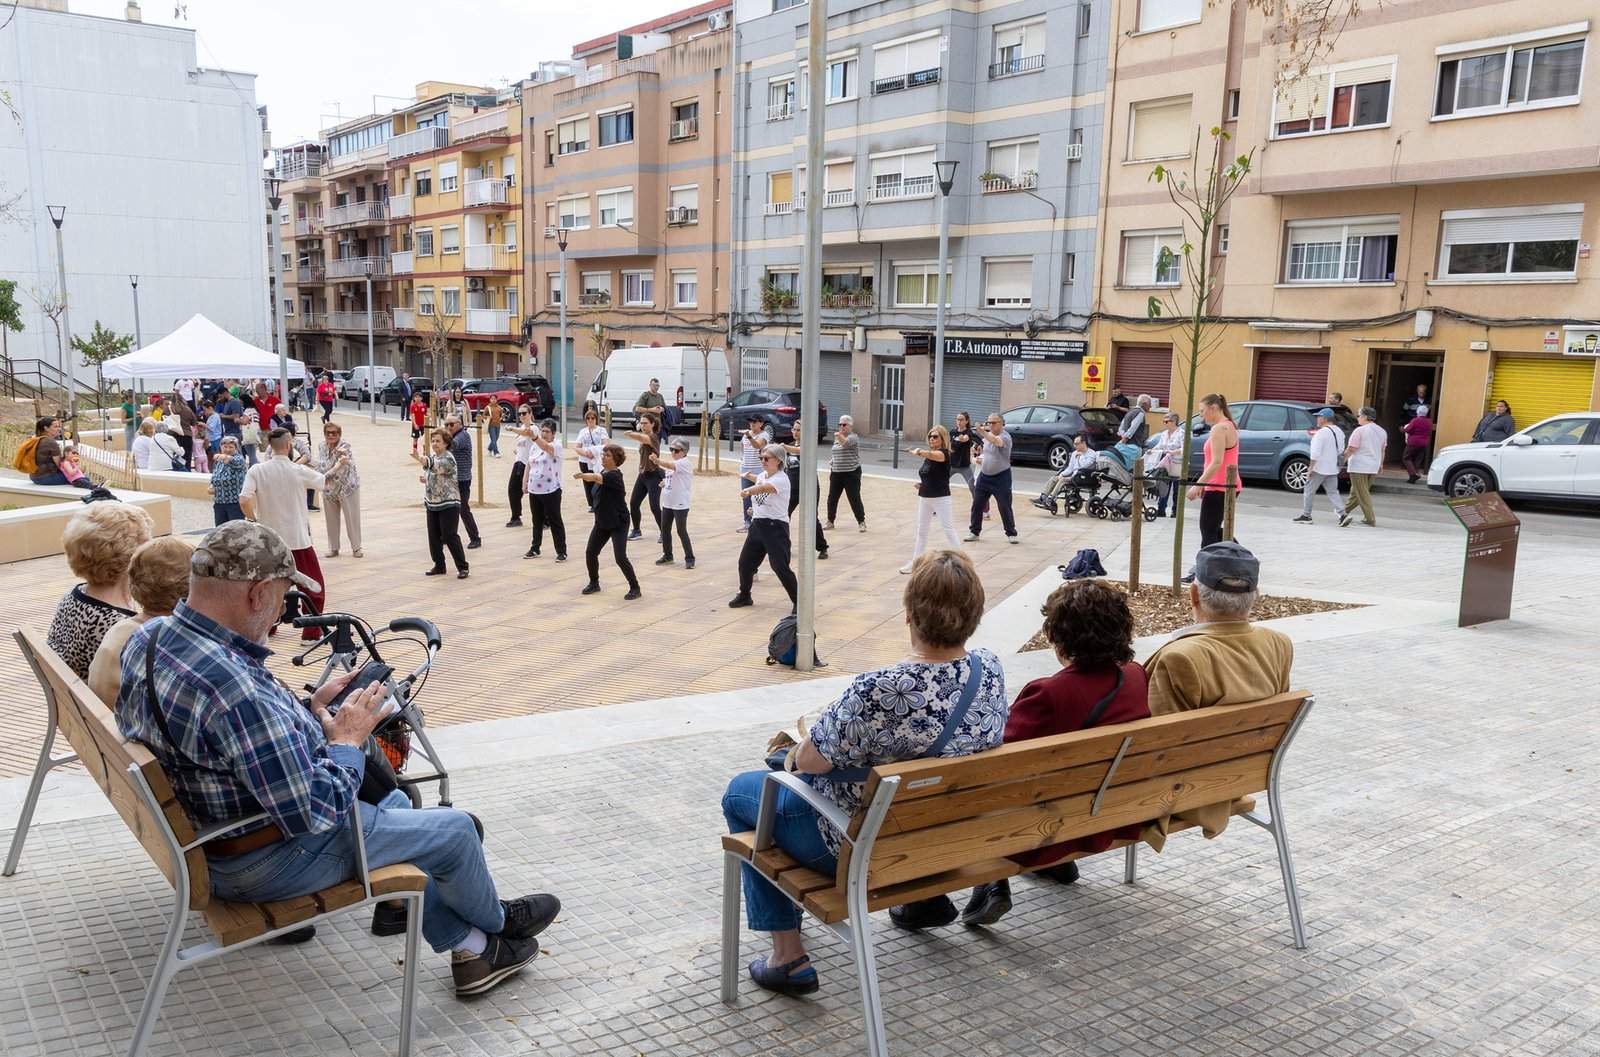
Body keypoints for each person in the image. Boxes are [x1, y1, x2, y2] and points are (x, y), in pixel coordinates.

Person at [115, 520, 556, 996]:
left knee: (400, 809)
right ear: (258, 592)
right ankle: (498, 926)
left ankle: (471, 946)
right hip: (259, 860)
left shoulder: (152, 637)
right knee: (454, 831)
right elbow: (315, 811)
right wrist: (346, 740)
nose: (283, 614)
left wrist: (308, 713)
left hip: (211, 834)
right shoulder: (232, 686)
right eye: (285, 597)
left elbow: (219, 739)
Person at [721, 550, 1008, 987]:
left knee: (745, 792)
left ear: (910, 615)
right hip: (946, 833)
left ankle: (788, 956)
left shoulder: (879, 688)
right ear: (975, 613)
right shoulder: (988, 669)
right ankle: (923, 899)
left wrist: (795, 752)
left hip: (861, 845)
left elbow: (811, 762)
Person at [959, 578, 1152, 927]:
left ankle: (991, 879)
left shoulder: (1048, 694)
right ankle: (1057, 866)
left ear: (1060, 637)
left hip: (1046, 830)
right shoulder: (1136, 676)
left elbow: (995, 760)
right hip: (1112, 814)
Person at [1144, 541, 1292, 845]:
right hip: (1242, 777)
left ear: (1194, 595)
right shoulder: (1279, 644)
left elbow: (1154, 751)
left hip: (1187, 792)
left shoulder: (1179, 657)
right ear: (1257, 596)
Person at [240, 428, 337, 634]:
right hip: (297, 538)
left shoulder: (257, 470)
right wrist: (338, 465)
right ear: (289, 444)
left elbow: (244, 499)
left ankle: (267, 628)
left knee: (267, 585)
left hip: (269, 540)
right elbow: (324, 482)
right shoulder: (297, 470)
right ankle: (312, 631)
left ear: (269, 446)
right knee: (312, 585)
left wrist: (253, 518)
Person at [46, 501, 156, 678]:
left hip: (79, 702)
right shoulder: (121, 627)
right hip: (102, 705)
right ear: (131, 556)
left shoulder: (73, 597)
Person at [87, 536, 193, 706]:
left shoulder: (121, 628)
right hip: (124, 730)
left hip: (103, 726)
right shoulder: (165, 642)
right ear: (191, 587)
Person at [730, 445, 798, 609]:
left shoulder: (782, 479)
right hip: (758, 526)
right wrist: (755, 510)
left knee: (780, 567)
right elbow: (762, 495)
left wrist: (749, 490)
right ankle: (745, 595)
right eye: (761, 458)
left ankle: (799, 602)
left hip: (775, 528)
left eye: (766, 458)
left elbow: (764, 488)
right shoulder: (761, 476)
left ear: (778, 460)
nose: (763, 461)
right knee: (745, 563)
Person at [1183, 394, 1240, 583]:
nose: (1201, 416)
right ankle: (1241, 559)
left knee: (1208, 531)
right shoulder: (1229, 425)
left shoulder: (1219, 429)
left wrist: (1197, 485)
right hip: (1223, 485)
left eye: (1202, 411)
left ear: (1213, 407)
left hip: (1219, 487)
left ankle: (1204, 572)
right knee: (1216, 530)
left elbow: (1216, 462)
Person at [575, 443, 640, 598]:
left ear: (616, 459)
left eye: (607, 455)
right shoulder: (604, 471)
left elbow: (597, 478)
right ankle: (594, 583)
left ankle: (635, 587)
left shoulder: (614, 475)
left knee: (620, 557)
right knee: (591, 552)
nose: (603, 457)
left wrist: (584, 475)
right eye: (603, 454)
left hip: (619, 522)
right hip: (602, 521)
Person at [901, 424, 962, 573]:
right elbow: (930, 473)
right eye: (930, 436)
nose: (932, 439)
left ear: (942, 438)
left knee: (948, 529)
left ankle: (961, 561)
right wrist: (922, 484)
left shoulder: (943, 453)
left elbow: (933, 456)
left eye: (935, 436)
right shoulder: (931, 454)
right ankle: (916, 562)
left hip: (941, 497)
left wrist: (919, 451)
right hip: (925, 497)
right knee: (921, 531)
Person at [414, 428, 469, 578]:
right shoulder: (434, 456)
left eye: (438, 441)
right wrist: (426, 479)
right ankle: (439, 565)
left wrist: (420, 459)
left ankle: (463, 567)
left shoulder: (448, 457)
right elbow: (433, 471)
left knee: (449, 535)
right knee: (433, 536)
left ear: (446, 443)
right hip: (432, 503)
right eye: (433, 441)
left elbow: (437, 466)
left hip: (449, 502)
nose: (434, 444)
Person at [964, 412, 1019, 544]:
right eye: (989, 422)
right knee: (977, 504)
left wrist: (983, 432)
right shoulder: (987, 437)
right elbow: (988, 452)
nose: (990, 425)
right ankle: (974, 531)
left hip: (1001, 477)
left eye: (994, 423)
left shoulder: (1005, 437)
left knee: (1004, 506)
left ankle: (1011, 533)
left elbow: (996, 442)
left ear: (1002, 424)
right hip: (985, 476)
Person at [780, 416, 828, 560]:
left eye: (799, 430)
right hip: (792, 487)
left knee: (811, 518)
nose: (795, 432)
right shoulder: (789, 445)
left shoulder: (809, 444)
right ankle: (784, 547)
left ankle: (822, 547)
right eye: (794, 429)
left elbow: (800, 451)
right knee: (783, 516)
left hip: (809, 487)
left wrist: (784, 447)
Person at [1293, 408, 1348, 526]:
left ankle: (1307, 515)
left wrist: (1310, 468)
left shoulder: (1321, 433)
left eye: (1319, 417)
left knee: (1309, 490)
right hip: (1333, 468)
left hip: (1319, 468)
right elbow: (1341, 450)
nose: (1317, 419)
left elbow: (1315, 453)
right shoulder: (1339, 431)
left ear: (1324, 418)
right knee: (1333, 492)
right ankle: (1342, 514)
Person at [315, 422, 362, 558]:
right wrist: (335, 464)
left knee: (352, 519)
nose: (330, 435)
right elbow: (322, 465)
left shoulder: (345, 446)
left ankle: (356, 547)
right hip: (328, 487)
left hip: (347, 487)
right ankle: (333, 548)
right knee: (331, 520)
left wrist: (337, 463)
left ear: (339, 434)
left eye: (334, 433)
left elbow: (346, 465)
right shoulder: (321, 446)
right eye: (327, 433)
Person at [523, 419, 567, 562]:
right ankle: (535, 547)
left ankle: (561, 551)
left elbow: (547, 448)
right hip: (535, 489)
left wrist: (535, 437)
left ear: (553, 434)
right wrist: (525, 482)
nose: (544, 433)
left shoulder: (557, 445)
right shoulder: (535, 446)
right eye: (542, 430)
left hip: (551, 489)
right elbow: (529, 464)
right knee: (537, 520)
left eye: (547, 431)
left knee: (555, 520)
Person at [1342, 407, 1387, 528]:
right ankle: (1343, 512)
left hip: (1359, 466)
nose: (1357, 417)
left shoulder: (1360, 431)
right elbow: (1382, 450)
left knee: (1362, 493)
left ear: (1366, 417)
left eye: (1359, 415)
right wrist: (1381, 464)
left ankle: (1369, 519)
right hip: (1373, 465)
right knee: (1356, 492)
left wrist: (1342, 461)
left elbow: (1352, 448)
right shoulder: (1382, 431)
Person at [656, 436, 695, 569]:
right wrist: (664, 483)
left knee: (681, 530)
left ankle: (690, 558)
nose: (673, 452)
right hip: (667, 503)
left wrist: (657, 461)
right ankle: (668, 556)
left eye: (676, 450)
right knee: (665, 530)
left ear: (684, 452)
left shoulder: (684, 463)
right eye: (671, 449)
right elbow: (671, 476)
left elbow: (670, 466)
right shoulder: (675, 463)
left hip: (680, 504)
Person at [624, 414, 664, 542]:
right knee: (634, 503)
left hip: (654, 476)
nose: (643, 425)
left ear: (652, 424)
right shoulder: (644, 438)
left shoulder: (653, 437)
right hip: (643, 475)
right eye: (641, 423)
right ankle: (636, 530)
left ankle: (664, 532)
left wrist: (630, 434)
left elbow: (641, 437)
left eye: (645, 423)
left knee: (654, 506)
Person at [445, 414, 482, 549]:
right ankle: (447, 536)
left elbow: (453, 445)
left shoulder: (463, 436)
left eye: (451, 424)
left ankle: (475, 538)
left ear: (459, 424)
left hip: (462, 479)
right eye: (446, 425)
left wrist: (441, 436)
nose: (448, 427)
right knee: (449, 508)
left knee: (463, 509)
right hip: (451, 478)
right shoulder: (453, 435)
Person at [1033, 434, 1097, 511]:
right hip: (1074, 476)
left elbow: (1084, 466)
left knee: (1063, 480)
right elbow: (1070, 468)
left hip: (1084, 477)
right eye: (1074, 444)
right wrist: (1061, 474)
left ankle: (1050, 499)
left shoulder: (1092, 454)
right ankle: (1043, 498)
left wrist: (1081, 456)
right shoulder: (1074, 453)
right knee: (1054, 478)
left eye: (1077, 444)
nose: (1075, 446)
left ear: (1083, 443)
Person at [824, 416, 866, 532]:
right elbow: (836, 451)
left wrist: (838, 435)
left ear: (850, 426)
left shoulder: (853, 437)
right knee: (832, 498)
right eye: (840, 424)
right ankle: (830, 521)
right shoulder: (838, 438)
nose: (841, 427)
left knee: (854, 498)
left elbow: (845, 444)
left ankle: (861, 521)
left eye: (844, 425)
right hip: (836, 473)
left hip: (851, 473)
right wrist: (833, 460)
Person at [26, 416, 92, 488]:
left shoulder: (36, 439)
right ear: (46, 428)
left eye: (59, 426)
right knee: (83, 477)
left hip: (34, 476)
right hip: (45, 478)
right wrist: (75, 468)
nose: (58, 429)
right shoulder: (51, 442)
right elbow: (59, 465)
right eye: (55, 427)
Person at [737, 415, 771, 531]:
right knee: (746, 496)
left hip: (758, 471)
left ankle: (758, 521)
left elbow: (757, 445)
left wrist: (749, 436)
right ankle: (747, 522)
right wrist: (743, 459)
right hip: (745, 469)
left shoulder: (764, 435)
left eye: (754, 422)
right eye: (750, 422)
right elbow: (743, 446)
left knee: (759, 496)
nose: (752, 424)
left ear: (761, 424)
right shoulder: (746, 435)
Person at [1149, 412, 1185, 517]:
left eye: (1166, 421)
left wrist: (1173, 452)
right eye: (1163, 421)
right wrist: (1152, 450)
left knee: (1177, 488)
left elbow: (1185, 448)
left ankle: (1176, 511)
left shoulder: (1181, 433)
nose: (1164, 423)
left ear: (1174, 422)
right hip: (1165, 462)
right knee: (1163, 486)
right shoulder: (1164, 434)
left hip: (1177, 462)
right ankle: (1161, 509)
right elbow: (1160, 445)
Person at [574, 407, 609, 512]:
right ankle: (591, 504)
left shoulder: (601, 430)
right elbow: (577, 446)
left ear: (596, 419)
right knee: (587, 481)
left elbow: (606, 444)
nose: (590, 420)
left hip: (598, 460)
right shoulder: (582, 431)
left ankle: (600, 502)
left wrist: (594, 452)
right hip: (585, 460)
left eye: (592, 418)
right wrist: (585, 453)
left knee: (598, 481)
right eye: (588, 418)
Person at [208, 436, 248, 526]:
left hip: (234, 503)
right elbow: (215, 476)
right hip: (219, 502)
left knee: (235, 531)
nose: (227, 449)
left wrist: (223, 456)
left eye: (231, 447)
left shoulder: (239, 459)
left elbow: (233, 461)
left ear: (236, 448)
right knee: (220, 530)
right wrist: (211, 486)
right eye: (225, 447)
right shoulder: (219, 461)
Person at [506, 405, 535, 527]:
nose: (522, 416)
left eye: (524, 413)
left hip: (529, 464)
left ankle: (544, 519)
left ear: (530, 414)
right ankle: (516, 517)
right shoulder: (522, 428)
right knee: (513, 490)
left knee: (534, 493)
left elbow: (527, 433)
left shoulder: (534, 428)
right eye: (520, 414)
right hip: (518, 462)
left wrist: (512, 429)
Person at [1401, 404, 1434, 483]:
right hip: (1424, 443)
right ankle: (1413, 477)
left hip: (1413, 442)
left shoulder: (1415, 420)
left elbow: (1408, 429)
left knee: (1406, 458)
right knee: (1418, 460)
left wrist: (1402, 429)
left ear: (1418, 411)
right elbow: (1429, 432)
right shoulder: (1429, 421)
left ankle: (1413, 474)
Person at [409, 391, 429, 456]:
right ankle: (415, 451)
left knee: (424, 438)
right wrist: (414, 424)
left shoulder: (424, 405)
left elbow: (426, 413)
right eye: (416, 397)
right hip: (416, 424)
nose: (417, 398)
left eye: (419, 397)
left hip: (423, 424)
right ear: (414, 398)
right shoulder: (413, 406)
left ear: (421, 398)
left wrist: (429, 417)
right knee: (415, 438)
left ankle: (425, 451)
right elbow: (413, 415)